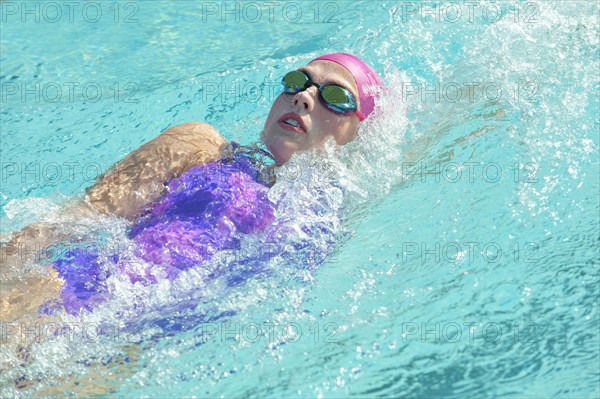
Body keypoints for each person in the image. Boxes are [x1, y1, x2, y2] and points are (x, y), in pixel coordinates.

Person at [1, 53, 384, 318]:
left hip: (139, 339)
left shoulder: (320, 217)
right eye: (296, 82)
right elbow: (74, 220)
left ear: (358, 132)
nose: (303, 96)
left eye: (335, 97)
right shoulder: (199, 145)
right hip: (67, 294)